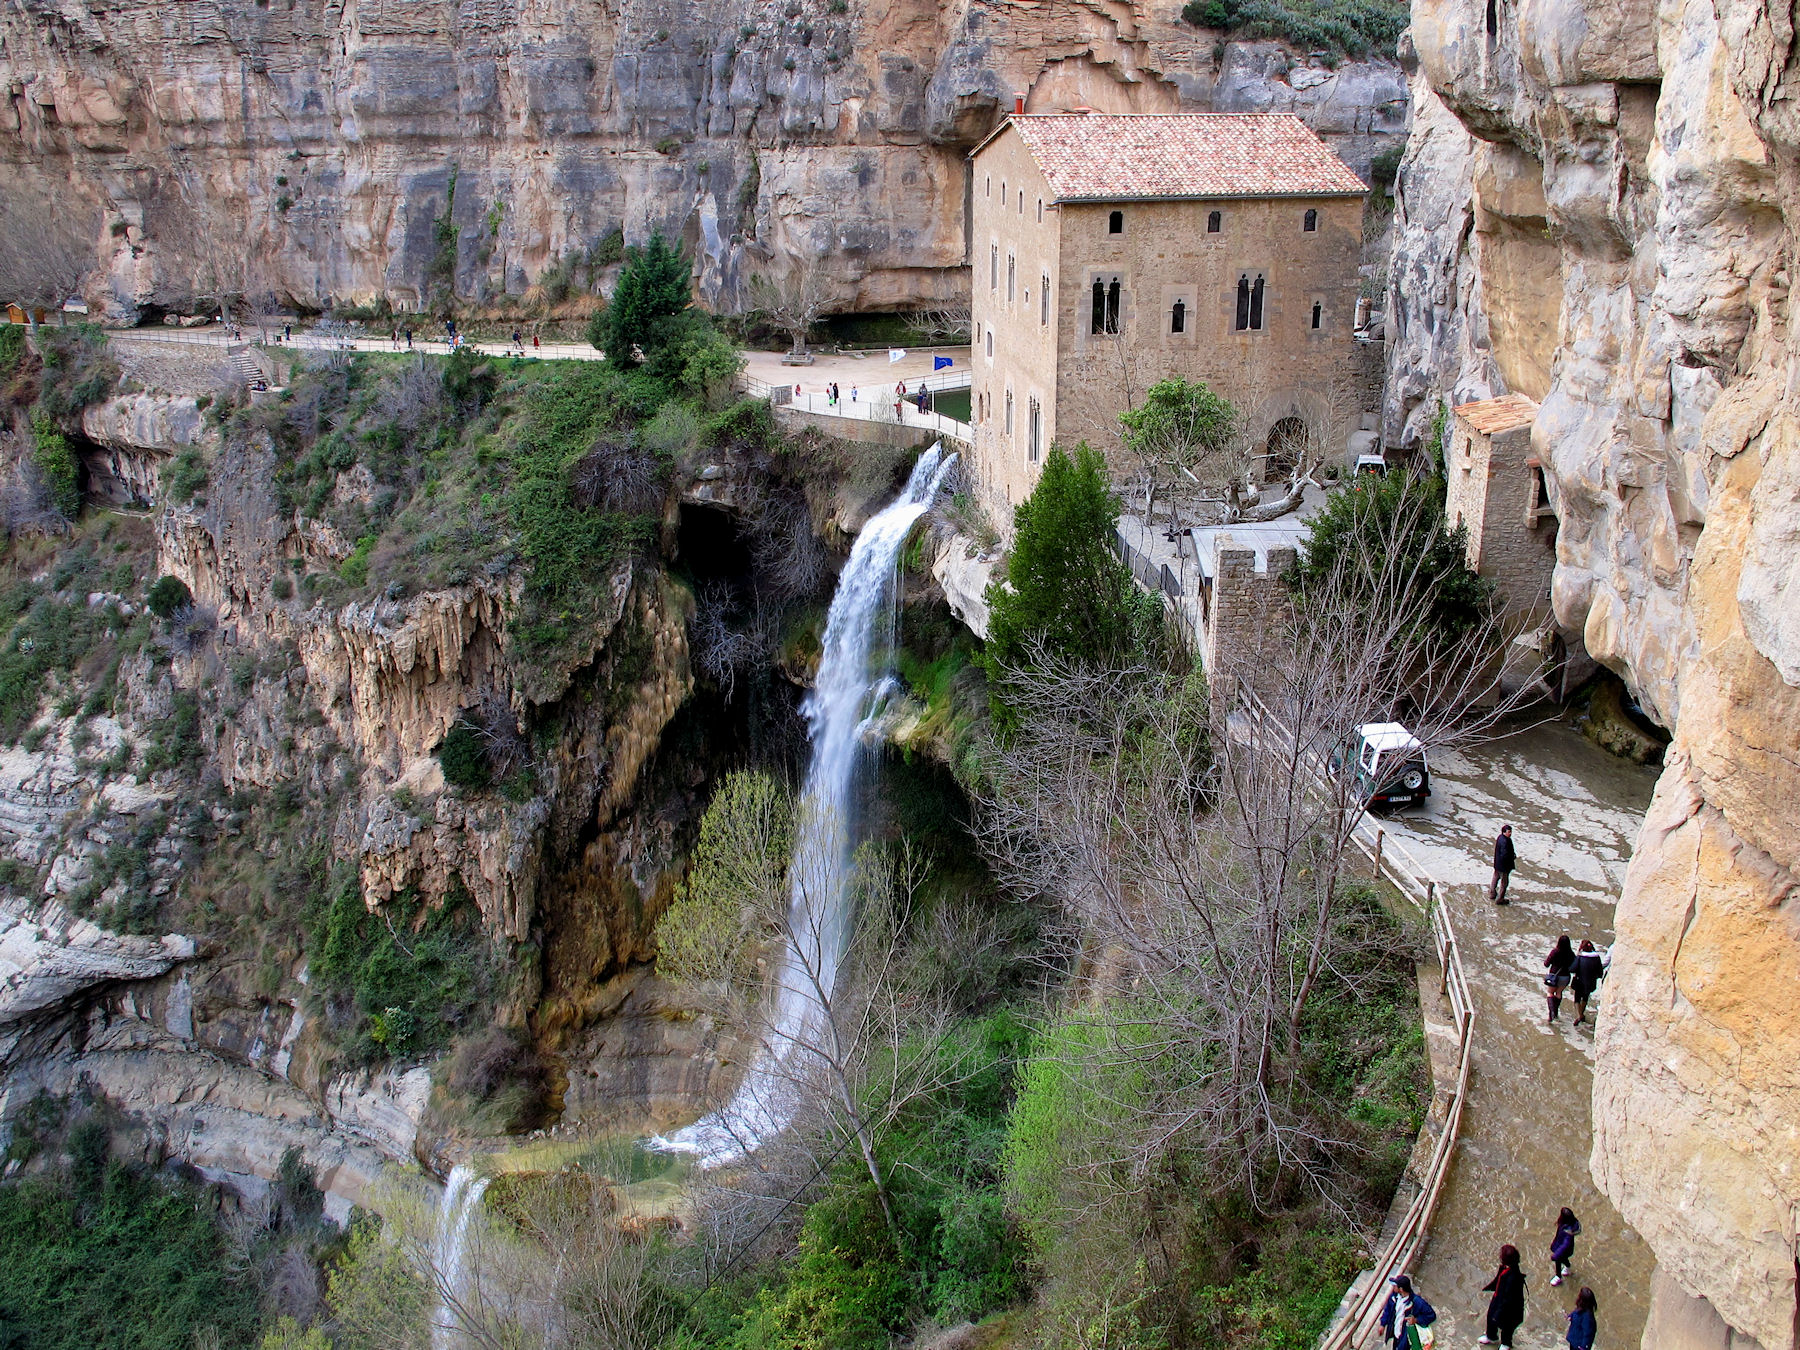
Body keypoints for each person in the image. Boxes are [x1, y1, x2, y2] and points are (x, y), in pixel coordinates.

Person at [1479, 1243, 1526, 1347]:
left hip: (1510, 1308)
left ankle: (1506, 1344)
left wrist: (1499, 1313)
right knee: (1490, 1317)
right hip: (1498, 1299)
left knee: (1507, 1327)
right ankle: (1491, 1336)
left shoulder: (1514, 1277)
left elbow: (1509, 1299)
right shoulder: (1506, 1268)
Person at [1377, 1273, 1436, 1350]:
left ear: (1401, 1289)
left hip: (1406, 1337)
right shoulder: (1394, 1297)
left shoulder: (1417, 1302)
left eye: (1395, 1286)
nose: (1393, 1287)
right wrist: (1383, 1324)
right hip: (1396, 1334)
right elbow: (1387, 1310)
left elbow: (1431, 1315)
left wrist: (1416, 1320)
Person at [1570, 939, 1605, 1025]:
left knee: (1577, 998)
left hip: (1579, 982)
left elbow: (1572, 969)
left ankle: (1579, 1015)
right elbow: (1600, 972)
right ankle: (1582, 1013)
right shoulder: (1597, 958)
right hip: (1591, 982)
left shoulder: (1580, 957)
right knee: (1585, 997)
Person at [1545, 935, 1576, 1023]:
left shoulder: (1555, 952)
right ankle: (1556, 1012)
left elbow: (1546, 964)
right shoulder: (1571, 954)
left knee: (1550, 992)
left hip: (1554, 975)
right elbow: (1573, 966)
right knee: (1559, 992)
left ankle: (1551, 1013)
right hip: (1565, 976)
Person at [1550, 1207, 1581, 1284]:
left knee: (1558, 1260)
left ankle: (1558, 1276)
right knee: (1563, 1259)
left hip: (1563, 1249)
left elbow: (1565, 1244)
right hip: (1561, 1246)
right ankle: (1567, 1267)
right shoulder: (1567, 1224)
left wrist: (1556, 1254)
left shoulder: (1568, 1231)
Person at [1490, 825, 1517, 903]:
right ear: (1504, 832)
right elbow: (1505, 855)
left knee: (1495, 878)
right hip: (1504, 866)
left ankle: (1492, 893)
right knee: (1504, 883)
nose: (1510, 833)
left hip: (1497, 863)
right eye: (1509, 832)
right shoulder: (1506, 841)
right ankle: (1500, 898)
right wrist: (1512, 857)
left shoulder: (1500, 838)